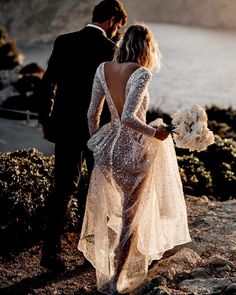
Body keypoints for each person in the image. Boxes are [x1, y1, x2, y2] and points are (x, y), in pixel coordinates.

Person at [78, 24, 191, 294]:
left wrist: (97, 142)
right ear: (146, 46)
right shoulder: (141, 73)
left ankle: (114, 266)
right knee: (130, 216)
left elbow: (92, 114)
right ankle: (117, 278)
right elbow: (130, 117)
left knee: (117, 210)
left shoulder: (103, 68)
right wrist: (156, 133)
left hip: (108, 150)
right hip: (133, 151)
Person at [38, 0, 128, 271]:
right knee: (97, 191)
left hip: (64, 127)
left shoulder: (63, 41)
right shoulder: (111, 50)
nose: (116, 31)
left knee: (62, 189)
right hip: (97, 131)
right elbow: (116, 98)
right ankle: (91, 254)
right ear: (112, 21)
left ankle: (49, 254)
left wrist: (45, 118)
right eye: (117, 26)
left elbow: (48, 82)